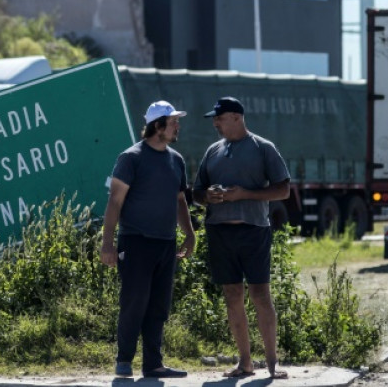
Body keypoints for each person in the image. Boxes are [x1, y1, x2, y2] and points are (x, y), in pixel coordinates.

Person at [191, 97, 291, 379]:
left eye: (219, 118)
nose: (215, 124)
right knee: (232, 295)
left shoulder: (263, 148)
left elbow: (283, 190)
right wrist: (207, 197)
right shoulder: (213, 151)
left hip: (254, 230)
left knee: (261, 295)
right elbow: (196, 193)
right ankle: (245, 363)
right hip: (219, 231)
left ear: (236, 117)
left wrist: (244, 194)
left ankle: (272, 364)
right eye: (214, 119)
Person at [100, 100, 196, 379]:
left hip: (166, 243)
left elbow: (180, 200)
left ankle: (153, 364)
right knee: (134, 302)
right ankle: (123, 361)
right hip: (136, 242)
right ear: (158, 126)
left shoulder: (176, 159)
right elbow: (115, 202)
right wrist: (108, 243)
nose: (178, 126)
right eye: (174, 121)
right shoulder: (131, 158)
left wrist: (189, 234)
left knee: (158, 306)